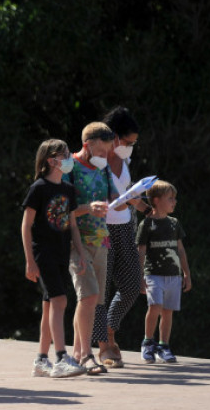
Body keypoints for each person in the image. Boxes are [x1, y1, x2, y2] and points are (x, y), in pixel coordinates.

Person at [22, 139, 88, 378]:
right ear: (51, 160)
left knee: (50, 304)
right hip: (44, 254)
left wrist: (79, 254)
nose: (69, 158)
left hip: (62, 253)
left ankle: (41, 359)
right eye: (65, 154)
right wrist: (30, 260)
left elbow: (72, 225)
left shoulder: (68, 190)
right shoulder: (38, 188)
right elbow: (26, 225)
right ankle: (60, 357)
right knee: (60, 301)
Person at [64, 122, 123, 375]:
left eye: (107, 153)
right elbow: (61, 210)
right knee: (86, 296)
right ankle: (84, 353)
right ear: (86, 145)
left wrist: (128, 199)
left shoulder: (105, 169)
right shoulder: (70, 168)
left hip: (102, 240)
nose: (104, 157)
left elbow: (114, 203)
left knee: (94, 300)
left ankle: (79, 353)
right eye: (100, 152)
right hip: (76, 241)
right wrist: (88, 208)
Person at [94, 107, 147, 367]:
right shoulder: (96, 159)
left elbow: (126, 193)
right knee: (100, 290)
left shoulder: (124, 160)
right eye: (128, 142)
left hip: (124, 226)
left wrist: (142, 204)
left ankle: (110, 329)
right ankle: (104, 346)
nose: (130, 147)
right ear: (114, 136)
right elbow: (88, 193)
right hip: (101, 229)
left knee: (132, 284)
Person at [136, 180, 191, 364]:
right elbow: (141, 250)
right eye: (170, 198)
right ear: (157, 200)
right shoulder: (147, 224)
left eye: (174, 198)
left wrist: (187, 274)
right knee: (155, 306)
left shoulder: (175, 223)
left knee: (168, 312)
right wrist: (140, 276)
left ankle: (163, 345)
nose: (174, 202)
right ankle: (147, 342)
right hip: (153, 274)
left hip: (173, 275)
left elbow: (181, 250)